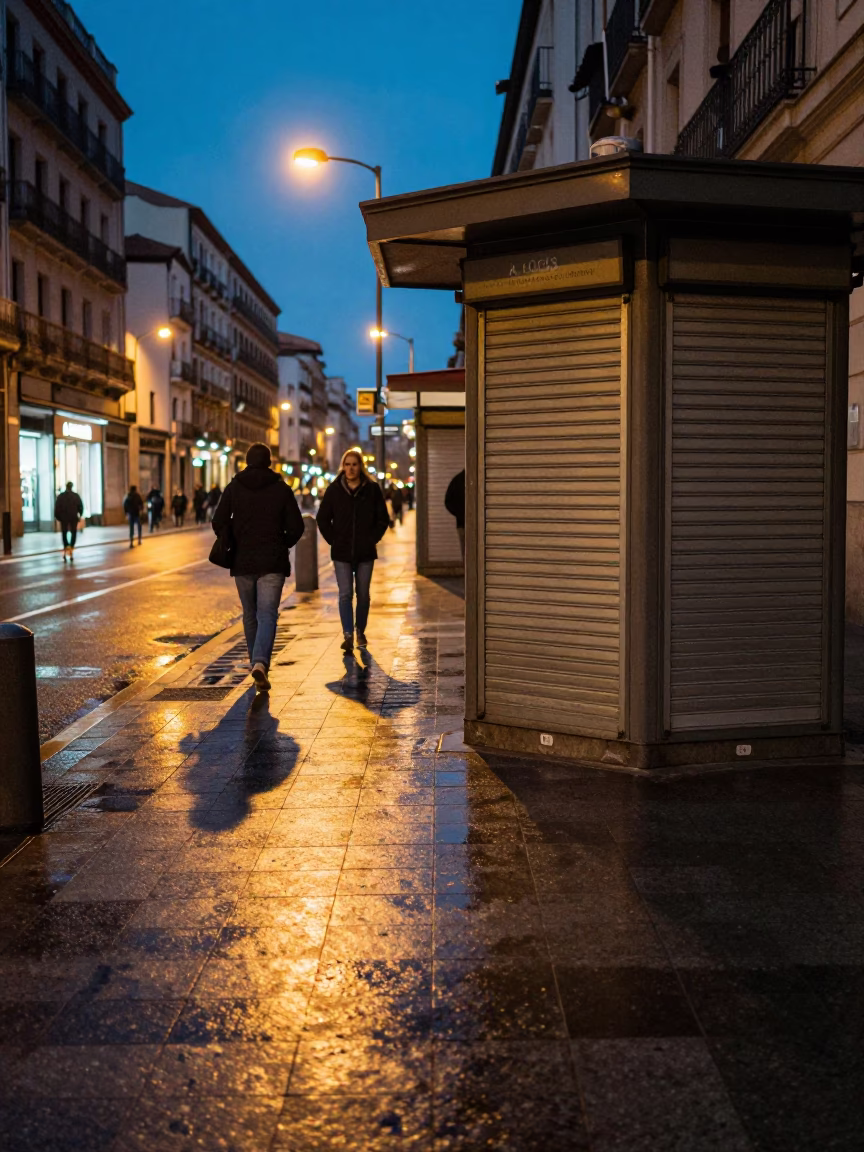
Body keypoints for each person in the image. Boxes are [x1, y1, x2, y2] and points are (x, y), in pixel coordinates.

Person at [212, 442, 304, 691]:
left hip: (242, 561)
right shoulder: (282, 490)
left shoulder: (234, 488)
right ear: (269, 462)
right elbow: (297, 527)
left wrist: (232, 538)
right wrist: (281, 543)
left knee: (250, 614)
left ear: (247, 462)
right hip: (272, 561)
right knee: (267, 614)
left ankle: (256, 661)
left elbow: (218, 520)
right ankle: (260, 663)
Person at [316, 448, 390, 651]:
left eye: (354, 464)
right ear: (343, 466)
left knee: (364, 594)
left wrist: (371, 538)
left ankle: (360, 630)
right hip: (342, 553)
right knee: (345, 594)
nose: (350, 468)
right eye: (347, 464)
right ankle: (347, 634)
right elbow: (322, 519)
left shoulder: (372, 489)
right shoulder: (334, 490)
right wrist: (334, 540)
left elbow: (383, 518)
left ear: (360, 466)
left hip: (365, 552)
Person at [54, 481, 83, 563]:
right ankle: (71, 547)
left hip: (64, 518)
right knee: (73, 532)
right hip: (73, 517)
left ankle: (66, 546)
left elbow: (57, 508)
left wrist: (58, 517)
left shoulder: (61, 496)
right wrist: (79, 515)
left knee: (64, 533)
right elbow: (80, 507)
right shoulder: (75, 496)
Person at [445, 468, 466, 559]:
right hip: (463, 524)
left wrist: (459, 514)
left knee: (465, 552)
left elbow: (448, 501)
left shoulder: (457, 479)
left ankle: (466, 572)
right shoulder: (459, 480)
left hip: (461, 524)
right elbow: (448, 502)